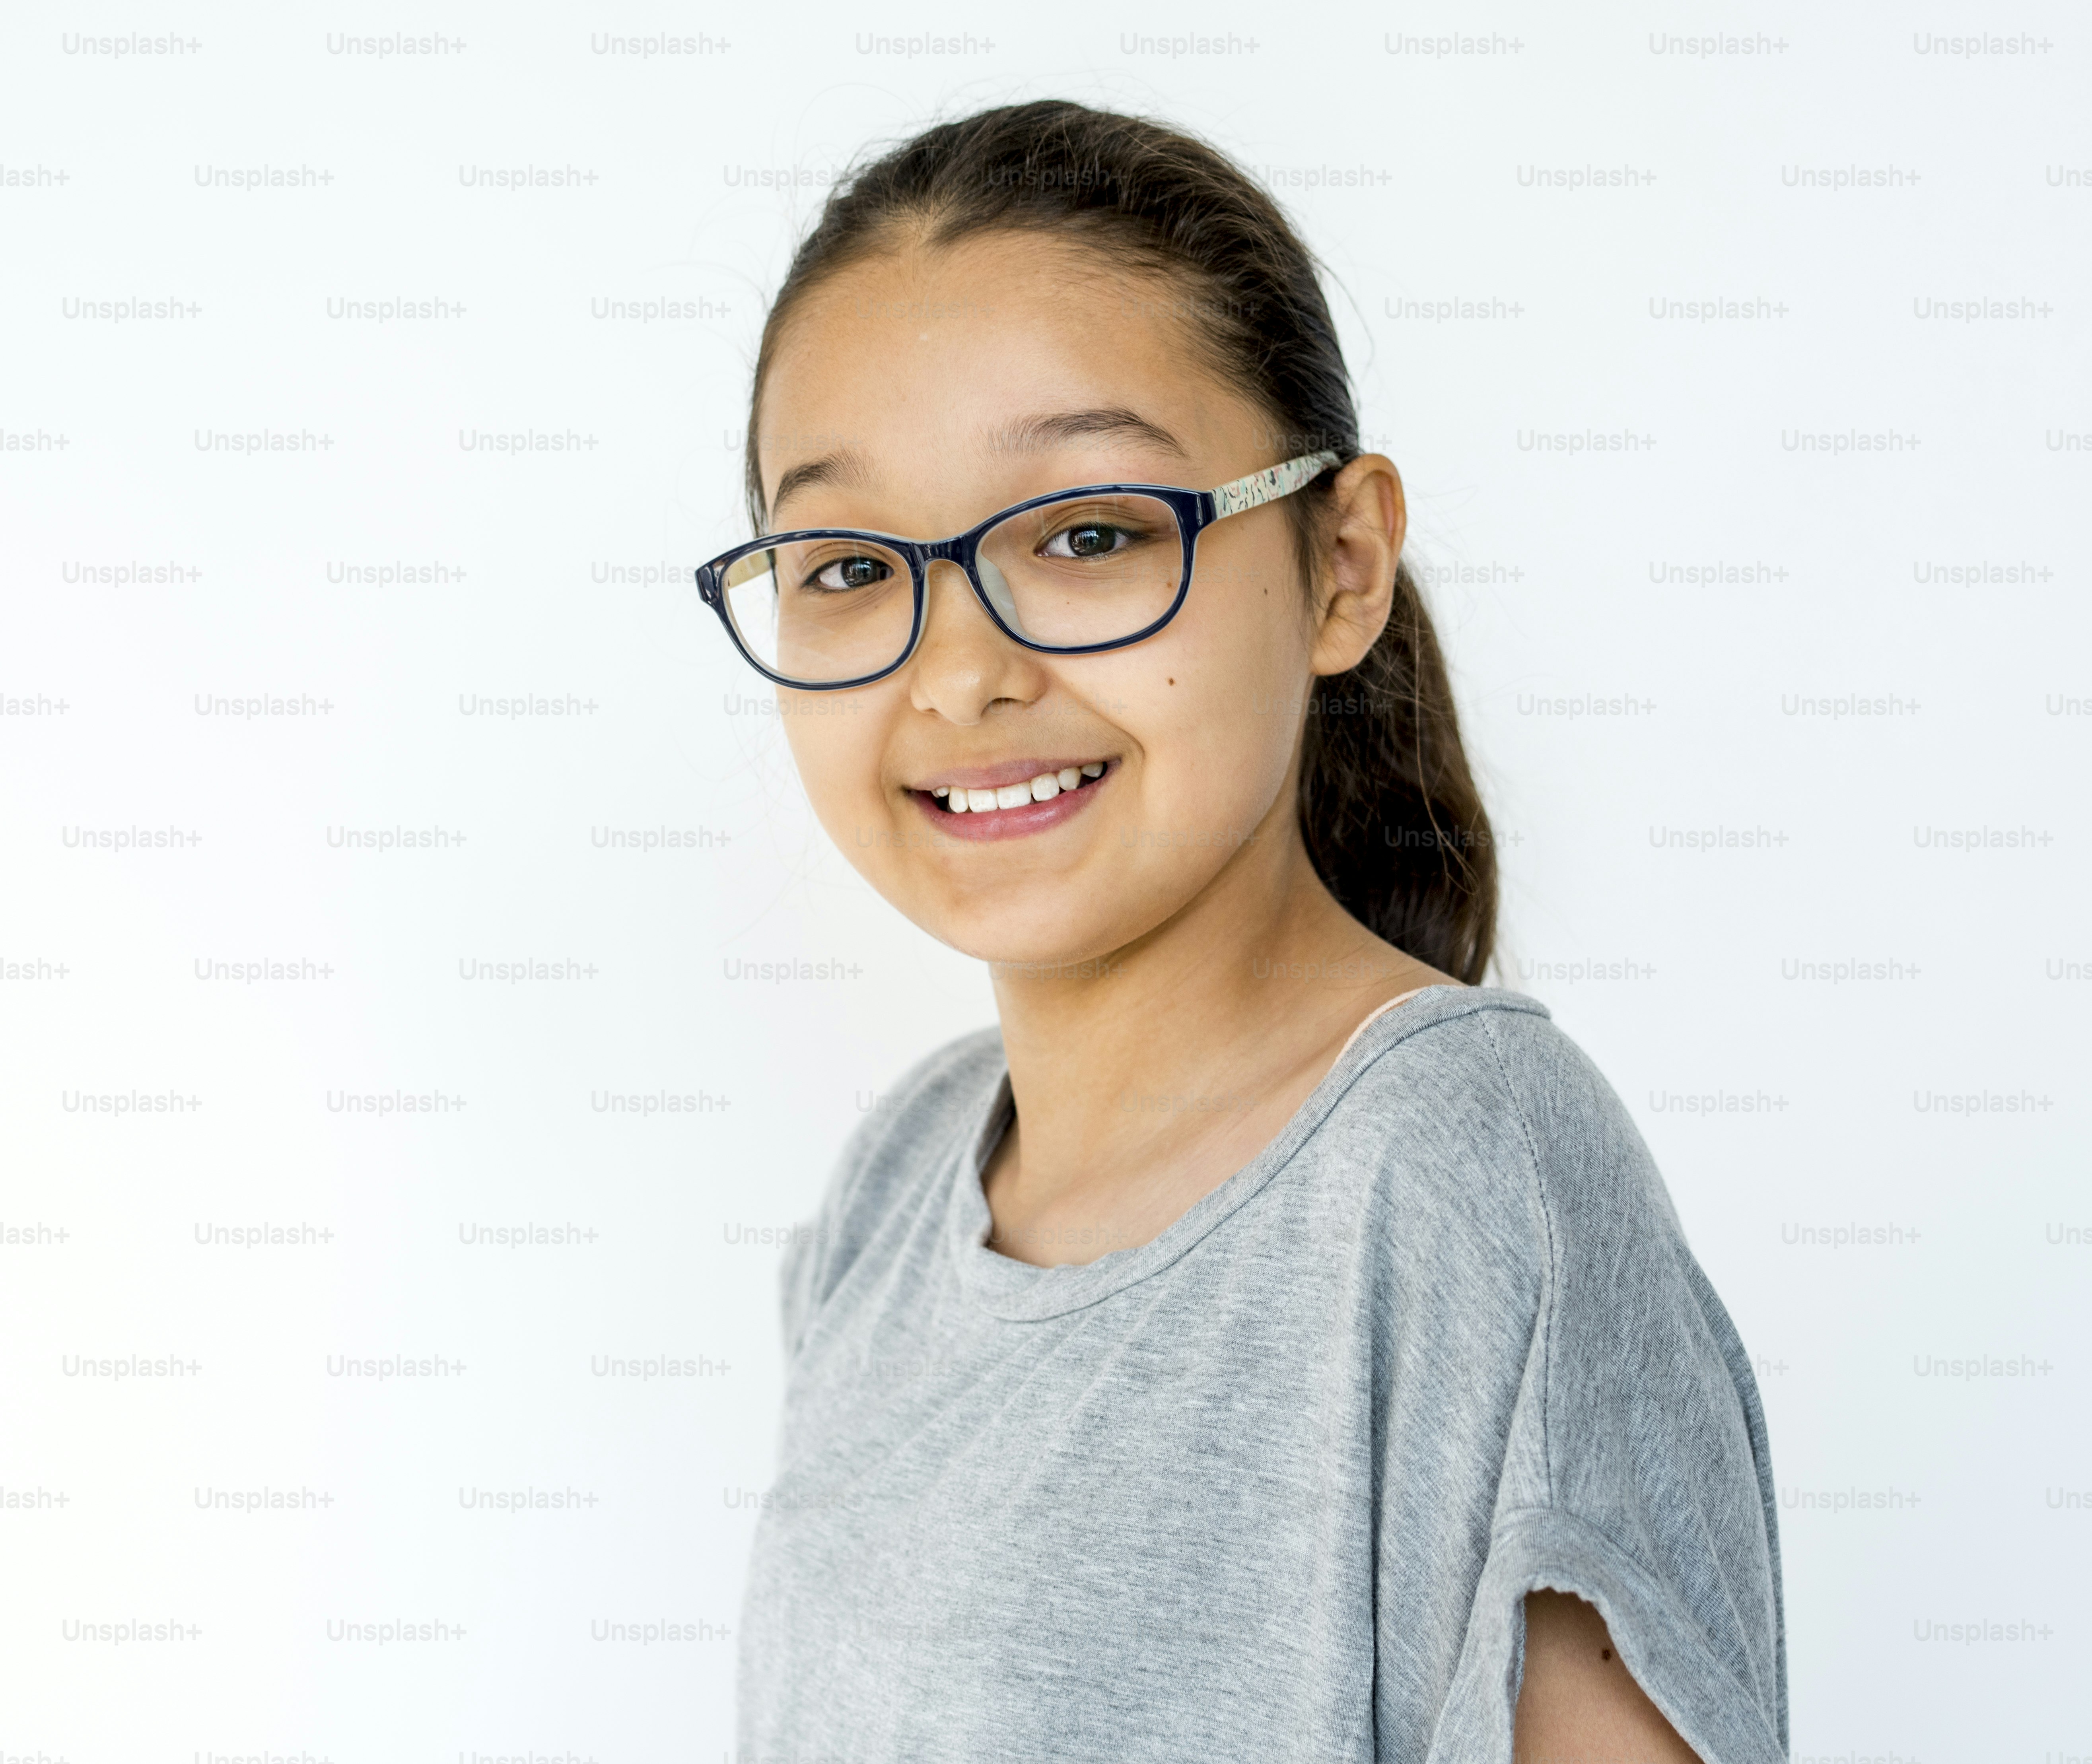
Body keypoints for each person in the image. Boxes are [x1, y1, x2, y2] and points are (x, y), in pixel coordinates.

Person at [699, 100, 1785, 1763]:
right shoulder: (895, 1189)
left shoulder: (1468, 1176)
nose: (960, 671)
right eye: (846, 562)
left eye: (1085, 534)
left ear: (1340, 562)